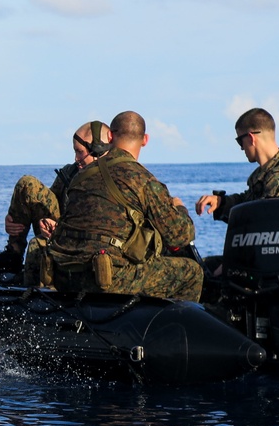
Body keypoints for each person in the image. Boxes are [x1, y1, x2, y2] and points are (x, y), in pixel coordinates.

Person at [48, 111, 203, 302]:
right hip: (105, 279)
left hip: (65, 275)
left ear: (110, 136)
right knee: (192, 273)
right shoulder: (143, 180)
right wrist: (180, 208)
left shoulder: (80, 176)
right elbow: (180, 236)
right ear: (145, 140)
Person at [2, 121, 112, 286]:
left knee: (36, 245)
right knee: (27, 184)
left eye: (80, 152)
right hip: (62, 228)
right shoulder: (71, 171)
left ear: (96, 149)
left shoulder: (112, 178)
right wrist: (14, 219)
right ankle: (12, 259)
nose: (76, 158)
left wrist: (61, 231)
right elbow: (49, 202)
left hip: (85, 239)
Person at [195, 107, 279, 222]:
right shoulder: (264, 174)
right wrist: (220, 202)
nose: (241, 148)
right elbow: (247, 202)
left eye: (240, 141)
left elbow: (271, 225)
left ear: (251, 138)